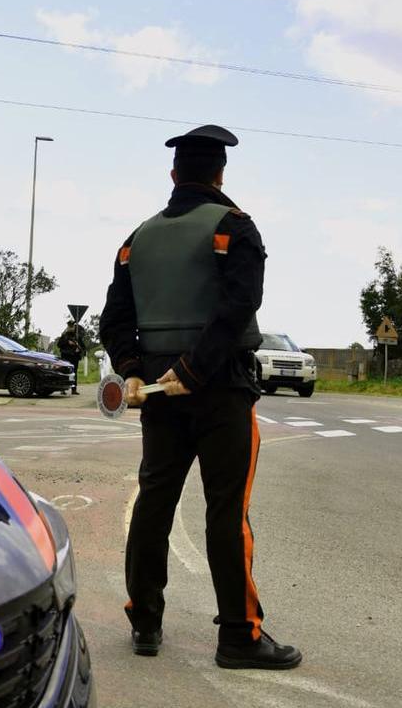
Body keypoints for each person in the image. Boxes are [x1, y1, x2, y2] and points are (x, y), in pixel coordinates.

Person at [100, 124, 300, 670]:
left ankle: (145, 622)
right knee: (226, 512)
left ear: (173, 176)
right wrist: (197, 368)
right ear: (220, 174)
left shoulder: (135, 239)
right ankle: (238, 635)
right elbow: (239, 305)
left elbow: (114, 321)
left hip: (159, 396)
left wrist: (134, 372)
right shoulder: (234, 226)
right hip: (221, 391)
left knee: (154, 504)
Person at [55, 320, 86, 394]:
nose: (71, 327)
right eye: (70, 326)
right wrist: (67, 342)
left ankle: (74, 389)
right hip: (65, 357)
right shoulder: (64, 336)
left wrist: (79, 349)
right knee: (64, 372)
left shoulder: (77, 336)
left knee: (74, 373)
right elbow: (59, 345)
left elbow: (83, 347)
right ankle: (62, 389)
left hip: (74, 357)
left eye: (72, 326)